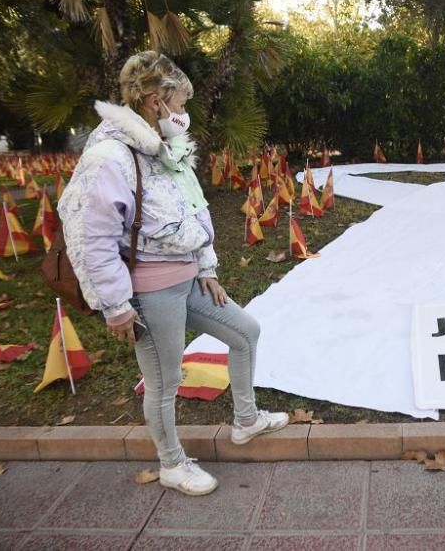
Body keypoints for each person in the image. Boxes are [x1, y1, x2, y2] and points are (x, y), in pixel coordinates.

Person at [58, 51, 288, 496]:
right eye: (179, 104)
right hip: (149, 291)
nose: (183, 114)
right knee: (165, 382)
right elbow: (91, 236)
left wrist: (207, 267)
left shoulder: (164, 150)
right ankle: (172, 464)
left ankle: (246, 421)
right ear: (152, 101)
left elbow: (192, 211)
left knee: (245, 332)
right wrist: (116, 305)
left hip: (188, 280)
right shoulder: (111, 155)